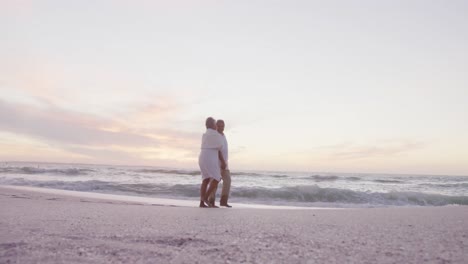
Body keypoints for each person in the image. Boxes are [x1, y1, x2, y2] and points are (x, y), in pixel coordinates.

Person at [198, 117, 226, 208]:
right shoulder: (215, 134)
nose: (216, 126)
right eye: (215, 124)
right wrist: (223, 161)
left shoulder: (205, 134)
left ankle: (201, 203)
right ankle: (205, 198)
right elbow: (220, 146)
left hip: (202, 157)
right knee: (217, 178)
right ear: (212, 125)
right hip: (209, 158)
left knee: (205, 179)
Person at [208, 119, 232, 207]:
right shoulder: (215, 136)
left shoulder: (223, 135)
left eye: (222, 126)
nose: (221, 128)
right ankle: (211, 201)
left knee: (228, 181)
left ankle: (223, 201)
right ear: (216, 126)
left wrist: (225, 162)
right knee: (214, 182)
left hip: (224, 163)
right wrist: (222, 161)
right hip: (216, 163)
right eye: (219, 126)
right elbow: (217, 150)